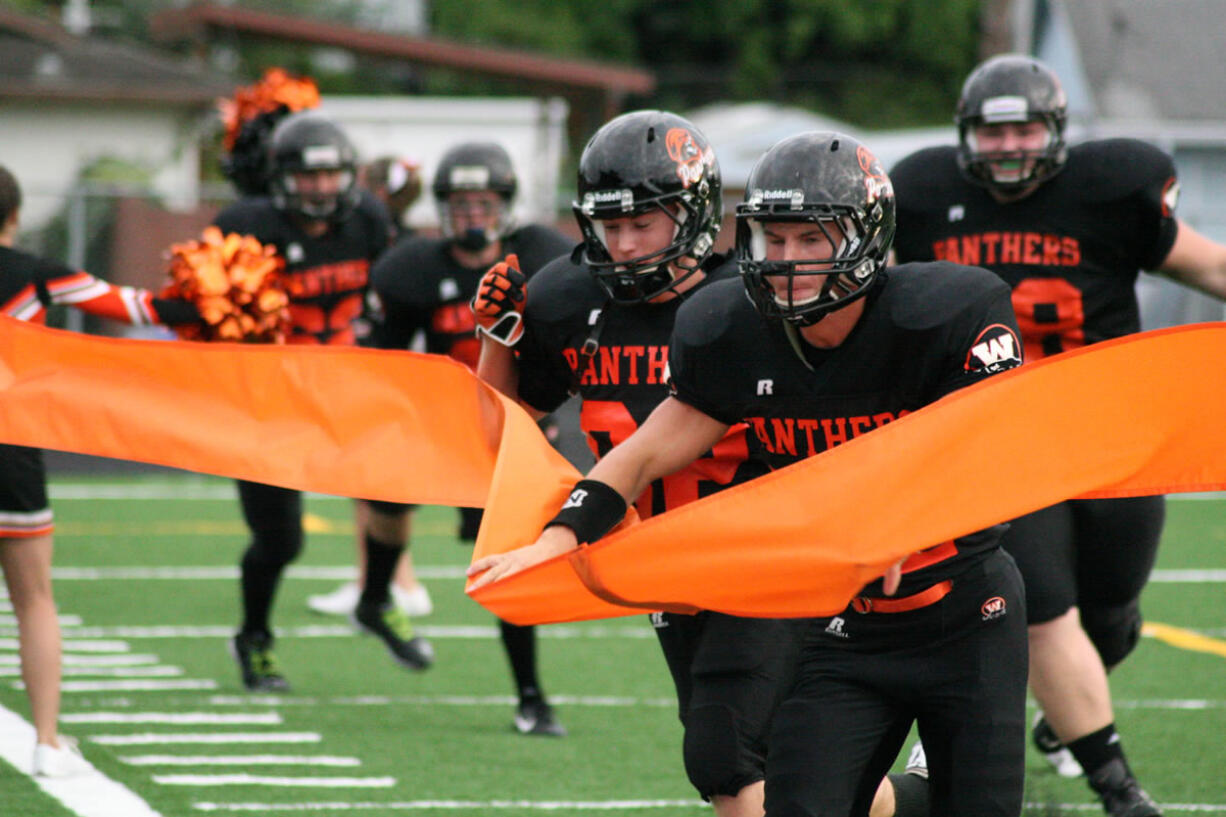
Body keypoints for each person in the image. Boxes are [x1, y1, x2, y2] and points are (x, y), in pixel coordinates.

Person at [469, 131, 1026, 816]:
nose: (787, 260)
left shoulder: (941, 313)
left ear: (866, 236)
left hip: (963, 612)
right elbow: (641, 452)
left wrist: (901, 522)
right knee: (774, 788)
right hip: (833, 617)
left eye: (810, 240)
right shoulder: (730, 326)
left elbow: (989, 448)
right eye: (775, 240)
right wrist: (558, 538)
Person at [890, 53, 1226, 817]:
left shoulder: (1111, 189)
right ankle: (1120, 788)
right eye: (993, 131)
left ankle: (1068, 713)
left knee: (1112, 615)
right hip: (1002, 436)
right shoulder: (924, 194)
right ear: (965, 135)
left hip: (1111, 432)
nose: (1009, 146)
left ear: (1057, 131)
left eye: (1025, 128)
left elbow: (1207, 266)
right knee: (1043, 607)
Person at [214, 110, 435, 692]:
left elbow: (399, 286)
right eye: (307, 177)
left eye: (330, 175)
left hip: (345, 388)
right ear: (281, 177)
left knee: (395, 483)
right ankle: (254, 637)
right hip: (271, 400)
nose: (319, 188)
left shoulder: (367, 219)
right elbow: (207, 312)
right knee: (281, 540)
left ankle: (375, 596)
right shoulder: (245, 226)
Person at [364, 141, 575, 735]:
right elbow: (385, 353)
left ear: (505, 204)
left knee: (510, 557)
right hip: (447, 420)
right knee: (384, 492)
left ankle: (530, 696)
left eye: (483, 203)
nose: (472, 215)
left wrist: (543, 404)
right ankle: (375, 597)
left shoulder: (543, 255)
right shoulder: (414, 269)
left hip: (513, 427)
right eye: (460, 204)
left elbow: (567, 339)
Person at [0, 163, 200, 775]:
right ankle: (47, 742)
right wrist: (211, 299)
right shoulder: (36, 274)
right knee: (34, 600)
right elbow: (137, 308)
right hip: (13, 454)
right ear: (15, 215)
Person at [306, 152, 432, 621]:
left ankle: (394, 582)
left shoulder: (390, 243)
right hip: (390, 373)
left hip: (390, 376)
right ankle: (382, 579)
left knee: (374, 482)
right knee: (370, 484)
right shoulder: (402, 240)